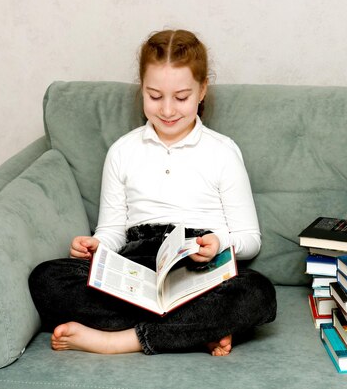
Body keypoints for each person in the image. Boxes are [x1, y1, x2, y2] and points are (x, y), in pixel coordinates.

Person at [29, 29, 277, 356]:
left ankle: (123, 340)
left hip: (199, 269)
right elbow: (112, 230)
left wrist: (219, 243)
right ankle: (194, 330)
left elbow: (249, 238)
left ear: (202, 90)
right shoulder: (123, 151)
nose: (168, 110)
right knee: (46, 279)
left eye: (182, 97)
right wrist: (96, 246)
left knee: (258, 293)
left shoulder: (223, 152)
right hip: (136, 269)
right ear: (142, 90)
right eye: (155, 96)